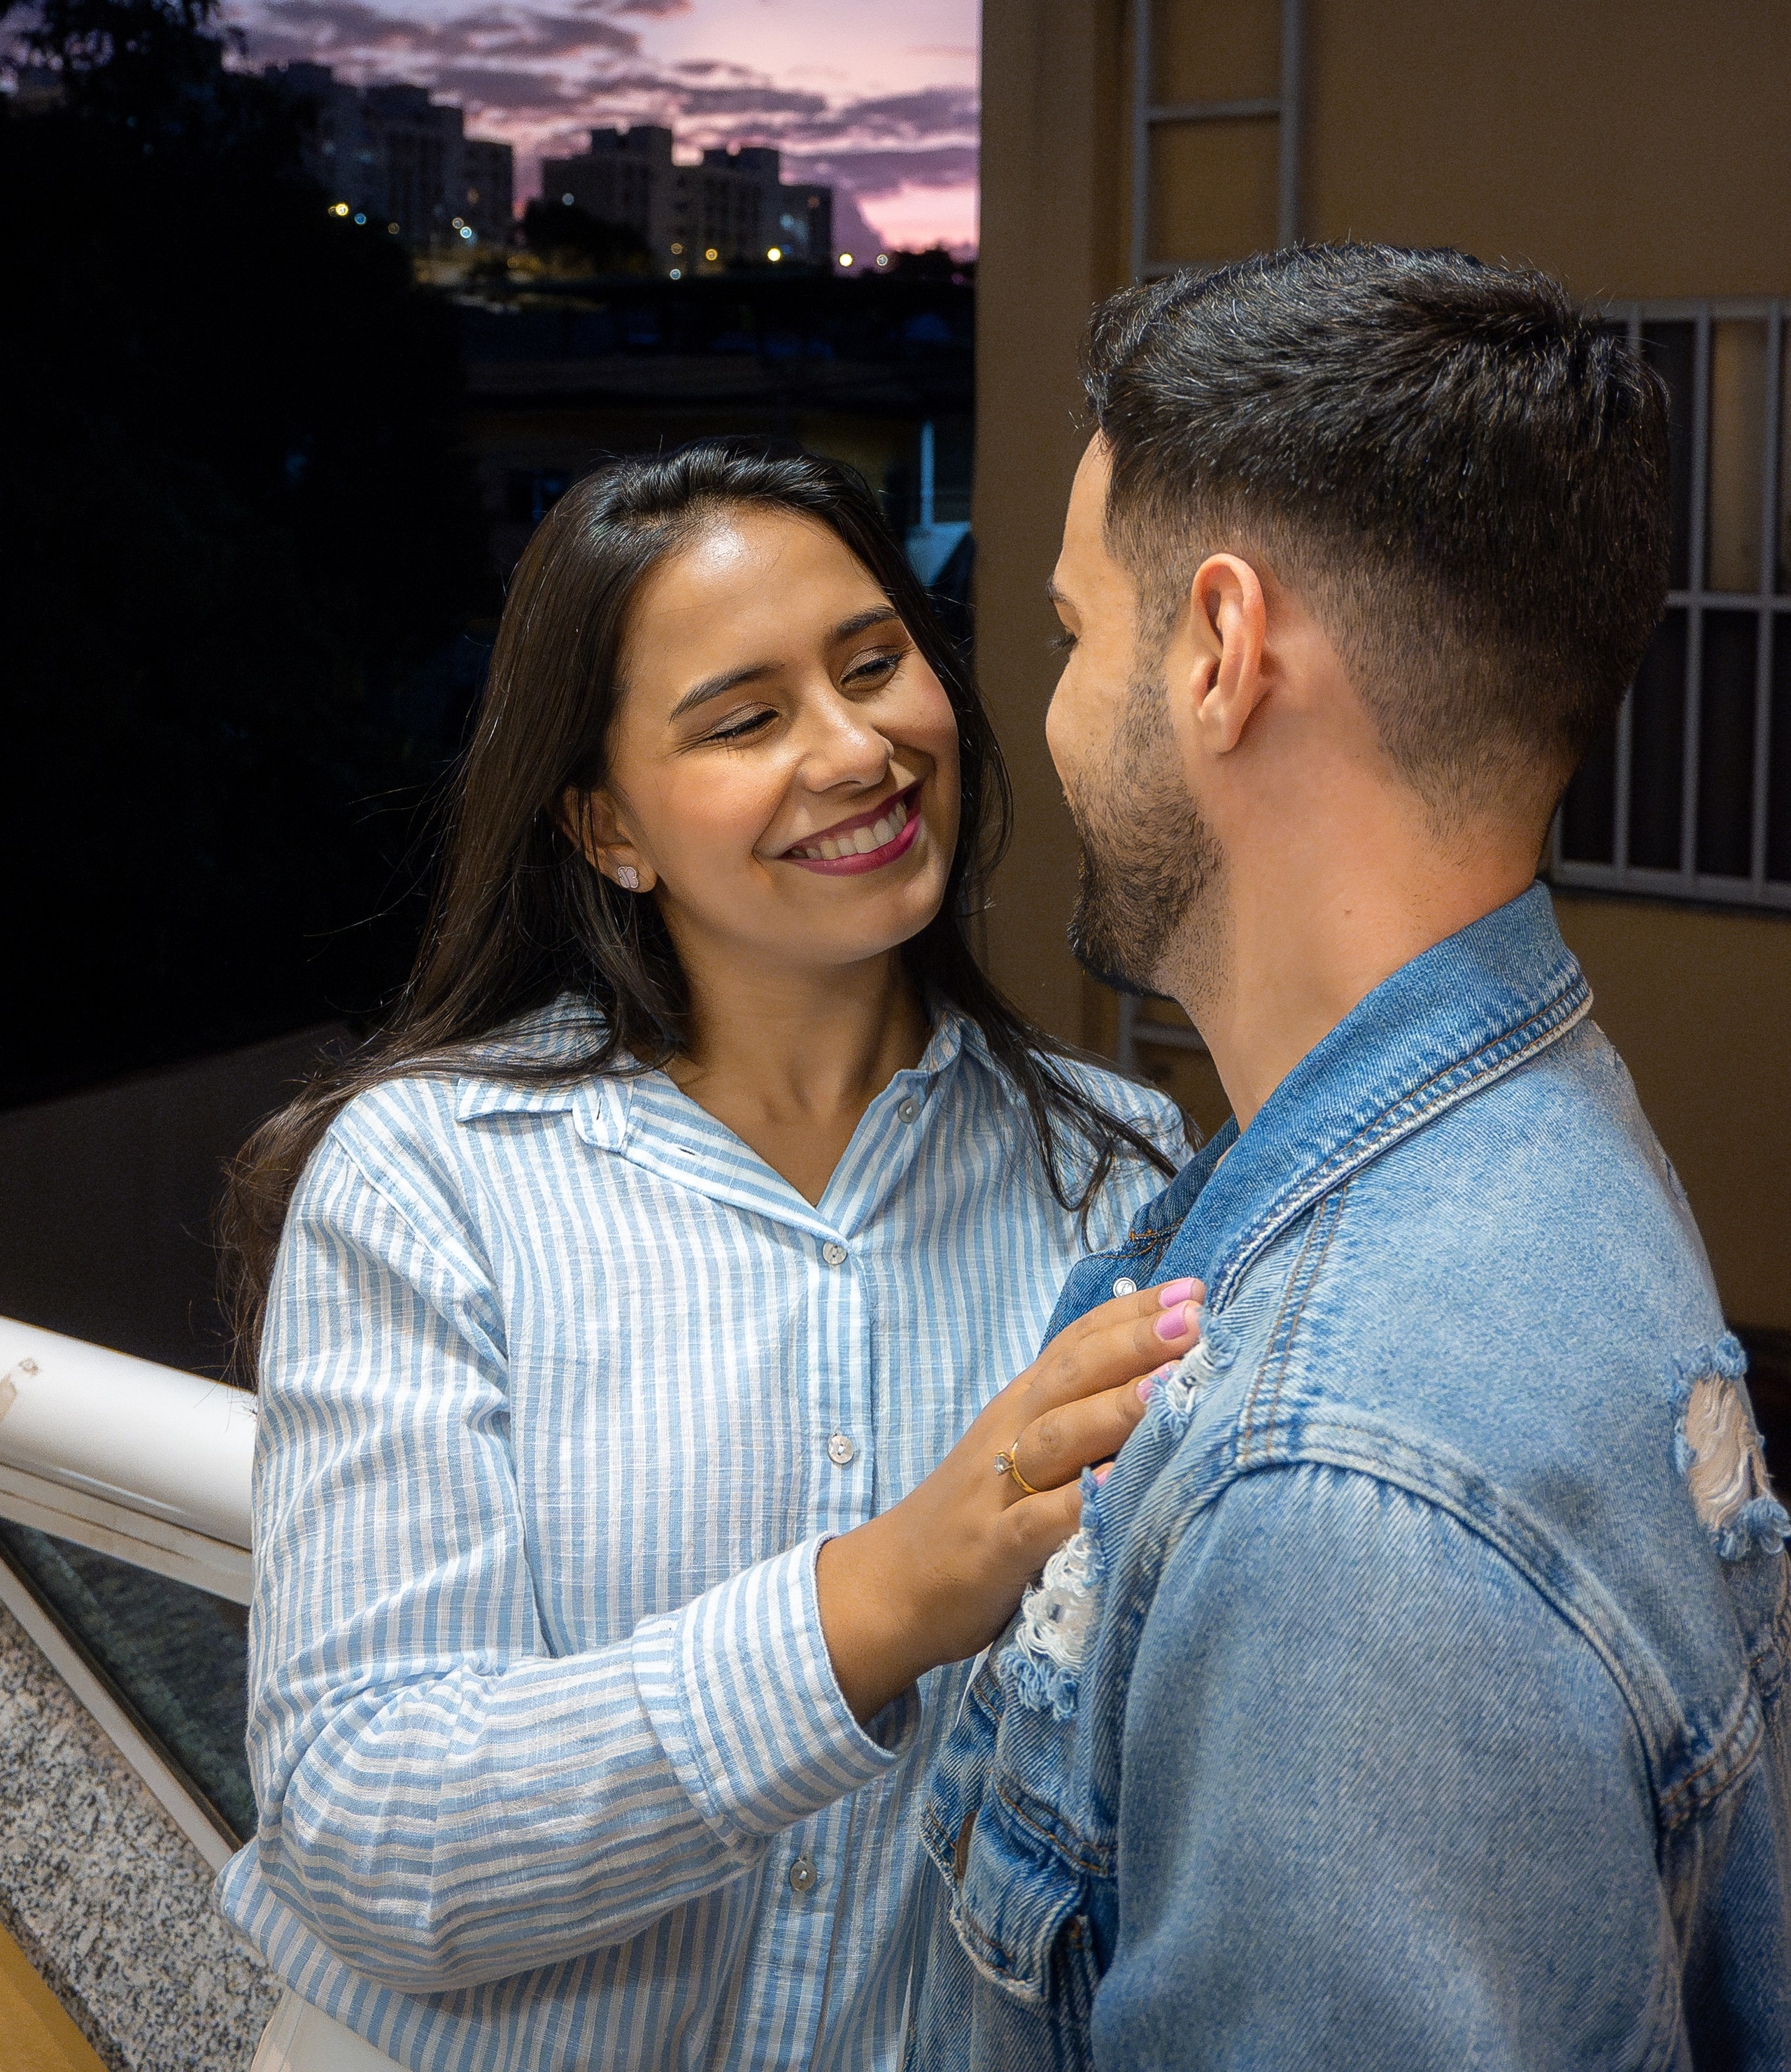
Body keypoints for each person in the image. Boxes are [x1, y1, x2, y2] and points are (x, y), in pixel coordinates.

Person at [214, 444, 1201, 2072]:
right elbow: (366, 1823)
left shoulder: (1115, 1171)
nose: (855, 746)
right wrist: (876, 1601)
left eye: (874, 664)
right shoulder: (431, 1179)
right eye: (743, 719)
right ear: (606, 826)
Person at [912, 246, 1791, 2070]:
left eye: (1078, 633)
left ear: (1223, 652)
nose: (1055, 707)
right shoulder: (1538, 1121)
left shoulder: (1343, 1495)